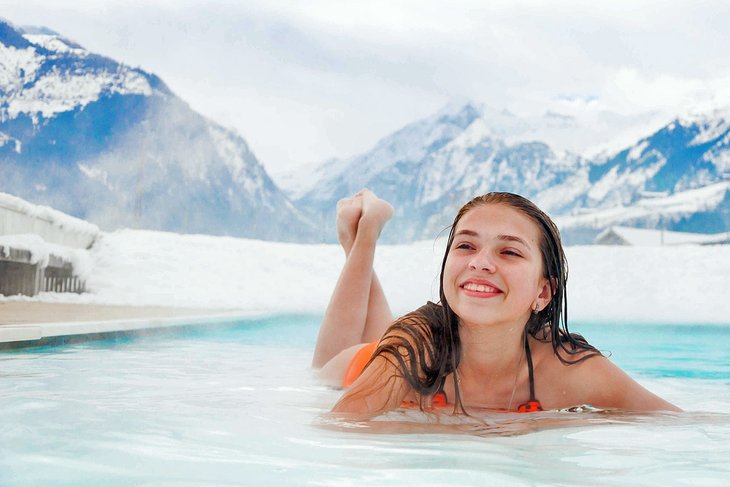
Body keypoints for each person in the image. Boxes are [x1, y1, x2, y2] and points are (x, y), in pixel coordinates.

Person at [312, 189, 680, 417]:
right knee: (322, 368)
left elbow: (679, 423)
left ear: (543, 292)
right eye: (466, 245)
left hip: (398, 344)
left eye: (508, 251)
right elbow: (341, 431)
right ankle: (361, 238)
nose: (480, 262)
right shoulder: (413, 348)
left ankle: (363, 234)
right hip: (362, 365)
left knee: (386, 332)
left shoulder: (569, 366)